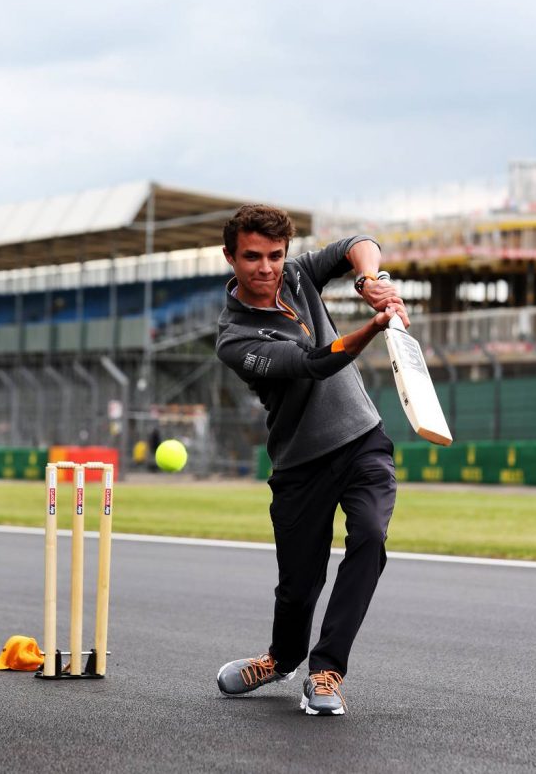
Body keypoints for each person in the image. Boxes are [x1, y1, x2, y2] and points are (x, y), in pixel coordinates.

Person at [215, 204, 409, 716]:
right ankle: (281, 659)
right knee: (299, 587)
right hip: (300, 465)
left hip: (364, 440)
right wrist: (376, 325)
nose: (266, 267)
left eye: (275, 255)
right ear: (230, 257)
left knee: (370, 534)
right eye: (252, 257)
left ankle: (326, 671)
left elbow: (357, 241)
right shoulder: (234, 339)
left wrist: (370, 280)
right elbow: (313, 363)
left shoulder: (299, 274)